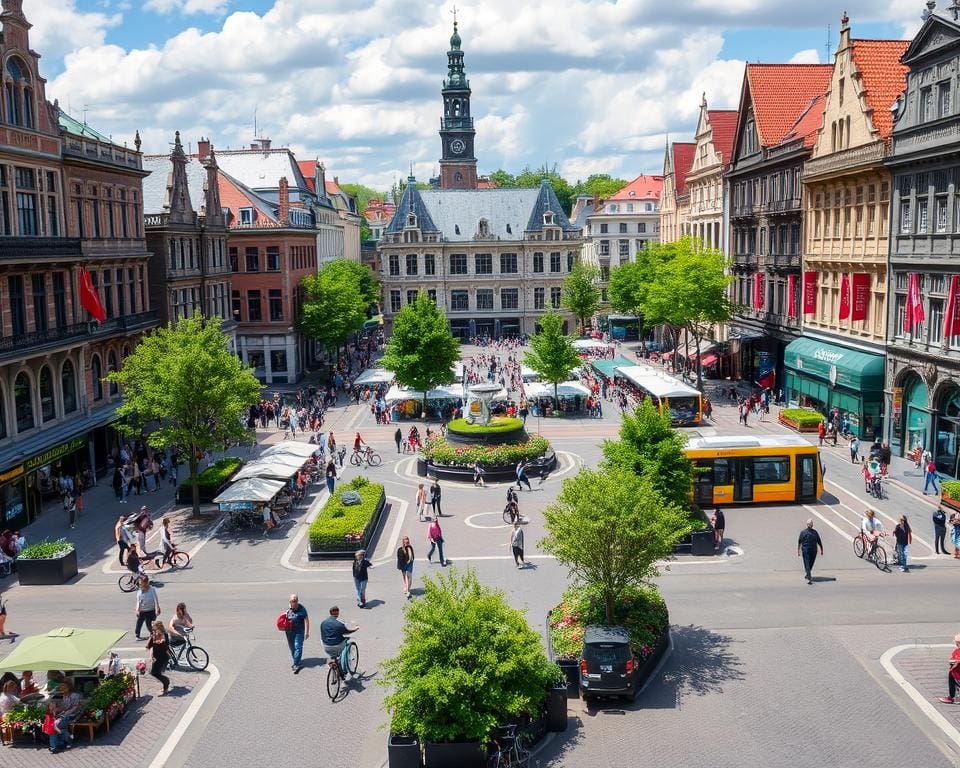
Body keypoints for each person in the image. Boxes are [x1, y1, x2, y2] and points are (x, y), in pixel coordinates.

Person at [320, 606, 359, 677]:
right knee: (345, 642)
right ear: (337, 613)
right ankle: (343, 666)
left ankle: (333, 665)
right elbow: (347, 632)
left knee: (332, 654)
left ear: (330, 613)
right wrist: (355, 629)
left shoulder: (323, 623)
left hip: (326, 646)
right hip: (337, 646)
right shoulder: (339, 624)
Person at [283, 594, 310, 673]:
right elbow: (284, 619)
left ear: (297, 601)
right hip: (289, 632)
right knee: (292, 648)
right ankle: (296, 660)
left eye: (295, 601)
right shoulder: (289, 609)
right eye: (292, 601)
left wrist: (307, 632)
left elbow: (307, 620)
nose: (293, 603)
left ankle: (296, 664)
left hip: (299, 631)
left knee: (298, 646)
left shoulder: (302, 609)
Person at [146, 621, 171, 696]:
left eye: (154, 626)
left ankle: (166, 683)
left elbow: (165, 646)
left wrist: (161, 642)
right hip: (156, 657)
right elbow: (150, 646)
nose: (152, 628)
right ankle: (165, 686)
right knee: (155, 672)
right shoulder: (153, 635)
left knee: (154, 672)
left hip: (163, 657)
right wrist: (151, 656)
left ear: (159, 627)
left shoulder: (164, 635)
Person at [797, 519, 823, 584]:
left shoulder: (803, 532)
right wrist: (822, 549)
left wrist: (798, 551)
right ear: (812, 525)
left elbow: (799, 542)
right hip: (813, 550)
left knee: (807, 563)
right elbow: (819, 542)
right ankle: (808, 575)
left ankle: (808, 575)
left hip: (806, 550)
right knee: (811, 563)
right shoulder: (815, 532)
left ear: (807, 525)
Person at [134, 575, 161, 640]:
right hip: (142, 610)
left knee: (149, 624)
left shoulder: (152, 589)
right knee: (139, 623)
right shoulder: (140, 592)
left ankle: (152, 634)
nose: (140, 585)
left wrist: (158, 608)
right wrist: (137, 610)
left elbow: (155, 598)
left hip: (151, 610)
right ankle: (137, 635)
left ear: (146, 582)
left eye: (142, 583)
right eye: (140, 583)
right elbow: (138, 602)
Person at [938, 634, 960, 704]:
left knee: (953, 683)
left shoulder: (957, 651)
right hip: (954, 671)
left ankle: (952, 697)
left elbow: (955, 661)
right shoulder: (956, 651)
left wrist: (955, 662)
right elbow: (952, 659)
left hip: (956, 672)